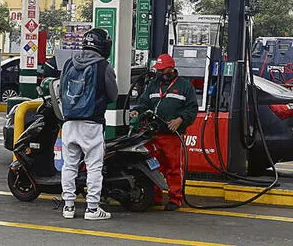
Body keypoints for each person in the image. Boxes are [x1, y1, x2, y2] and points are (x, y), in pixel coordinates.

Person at [60, 28, 118, 220]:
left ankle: (68, 207)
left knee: (69, 165)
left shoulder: (69, 63)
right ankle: (92, 209)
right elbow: (113, 95)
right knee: (94, 167)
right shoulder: (103, 67)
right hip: (92, 123)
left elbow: (61, 90)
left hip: (69, 123)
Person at [129, 53, 198, 211]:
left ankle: (175, 198)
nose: (160, 73)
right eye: (158, 70)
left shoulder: (184, 86)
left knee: (173, 168)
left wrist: (180, 119)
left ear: (171, 69)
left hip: (172, 136)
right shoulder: (153, 85)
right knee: (153, 167)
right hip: (153, 134)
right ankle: (155, 196)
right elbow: (144, 102)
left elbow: (192, 108)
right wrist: (137, 112)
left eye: (162, 70)